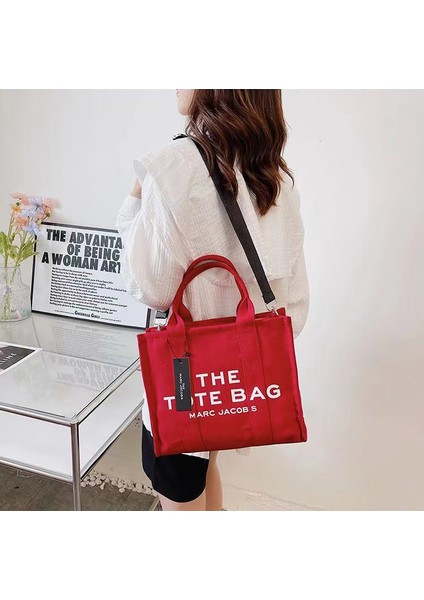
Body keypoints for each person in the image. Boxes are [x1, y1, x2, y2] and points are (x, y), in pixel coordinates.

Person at [116, 89, 310, 511]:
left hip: (185, 386)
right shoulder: (275, 178)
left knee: (180, 485)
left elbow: (151, 288)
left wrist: (133, 203)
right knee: (206, 468)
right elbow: (293, 304)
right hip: (236, 386)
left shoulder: (171, 168)